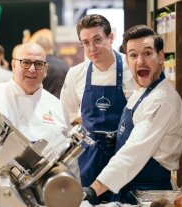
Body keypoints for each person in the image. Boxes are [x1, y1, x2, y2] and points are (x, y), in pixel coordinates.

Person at [84, 25, 182, 204]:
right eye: (133, 55)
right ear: (127, 59)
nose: (140, 61)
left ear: (161, 57)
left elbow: (133, 153)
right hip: (128, 187)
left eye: (147, 53)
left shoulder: (161, 100)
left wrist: (93, 190)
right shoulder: (143, 92)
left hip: (149, 193)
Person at [0, 43, 73, 206]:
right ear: (13, 65)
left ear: (46, 69)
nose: (32, 69)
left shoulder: (56, 106)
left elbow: (68, 154)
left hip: (41, 196)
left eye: (38, 64)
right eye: (25, 62)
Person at [60, 14, 135, 204]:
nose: (92, 49)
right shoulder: (76, 73)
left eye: (97, 40)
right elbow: (66, 113)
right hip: (89, 157)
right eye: (85, 43)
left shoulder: (132, 68)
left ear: (111, 37)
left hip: (124, 154)